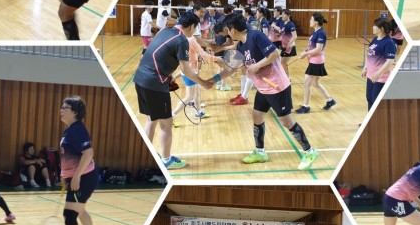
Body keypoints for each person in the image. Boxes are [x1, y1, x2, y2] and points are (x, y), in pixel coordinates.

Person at [218, 15, 319, 171]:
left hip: (277, 87)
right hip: (262, 88)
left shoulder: (255, 36)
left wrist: (258, 65)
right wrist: (212, 79)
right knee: (257, 116)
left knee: (287, 121)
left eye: (228, 30)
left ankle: (310, 152)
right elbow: (233, 67)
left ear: (233, 30)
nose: (228, 33)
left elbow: (275, 54)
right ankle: (260, 153)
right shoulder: (241, 45)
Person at [133, 11, 215, 170]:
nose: (194, 31)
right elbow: (186, 69)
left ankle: (145, 155)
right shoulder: (182, 39)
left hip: (140, 79)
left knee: (151, 119)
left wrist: (168, 74)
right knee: (166, 124)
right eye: (195, 28)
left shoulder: (165, 30)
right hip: (154, 83)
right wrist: (203, 83)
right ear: (191, 26)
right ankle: (166, 161)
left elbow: (156, 53)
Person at [50, 96, 100, 225]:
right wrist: (66, 175)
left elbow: (88, 153)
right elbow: (69, 156)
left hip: (85, 177)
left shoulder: (77, 129)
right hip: (79, 176)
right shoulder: (70, 129)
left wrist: (77, 176)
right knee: (79, 209)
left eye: (65, 108)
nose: (61, 110)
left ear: (75, 112)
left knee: (70, 214)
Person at [295, 12, 336, 113]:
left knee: (306, 84)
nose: (310, 21)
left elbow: (318, 49)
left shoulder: (321, 33)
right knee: (315, 83)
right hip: (314, 61)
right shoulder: (315, 32)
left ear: (316, 22)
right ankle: (330, 100)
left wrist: (306, 54)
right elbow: (311, 45)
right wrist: (305, 52)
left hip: (316, 62)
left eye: (311, 19)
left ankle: (306, 106)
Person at [362, 18, 397, 109]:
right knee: (369, 99)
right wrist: (365, 68)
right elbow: (369, 54)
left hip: (381, 78)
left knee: (376, 102)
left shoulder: (389, 42)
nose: (372, 27)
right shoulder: (375, 39)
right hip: (371, 76)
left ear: (381, 28)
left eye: (375, 26)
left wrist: (378, 73)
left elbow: (390, 61)